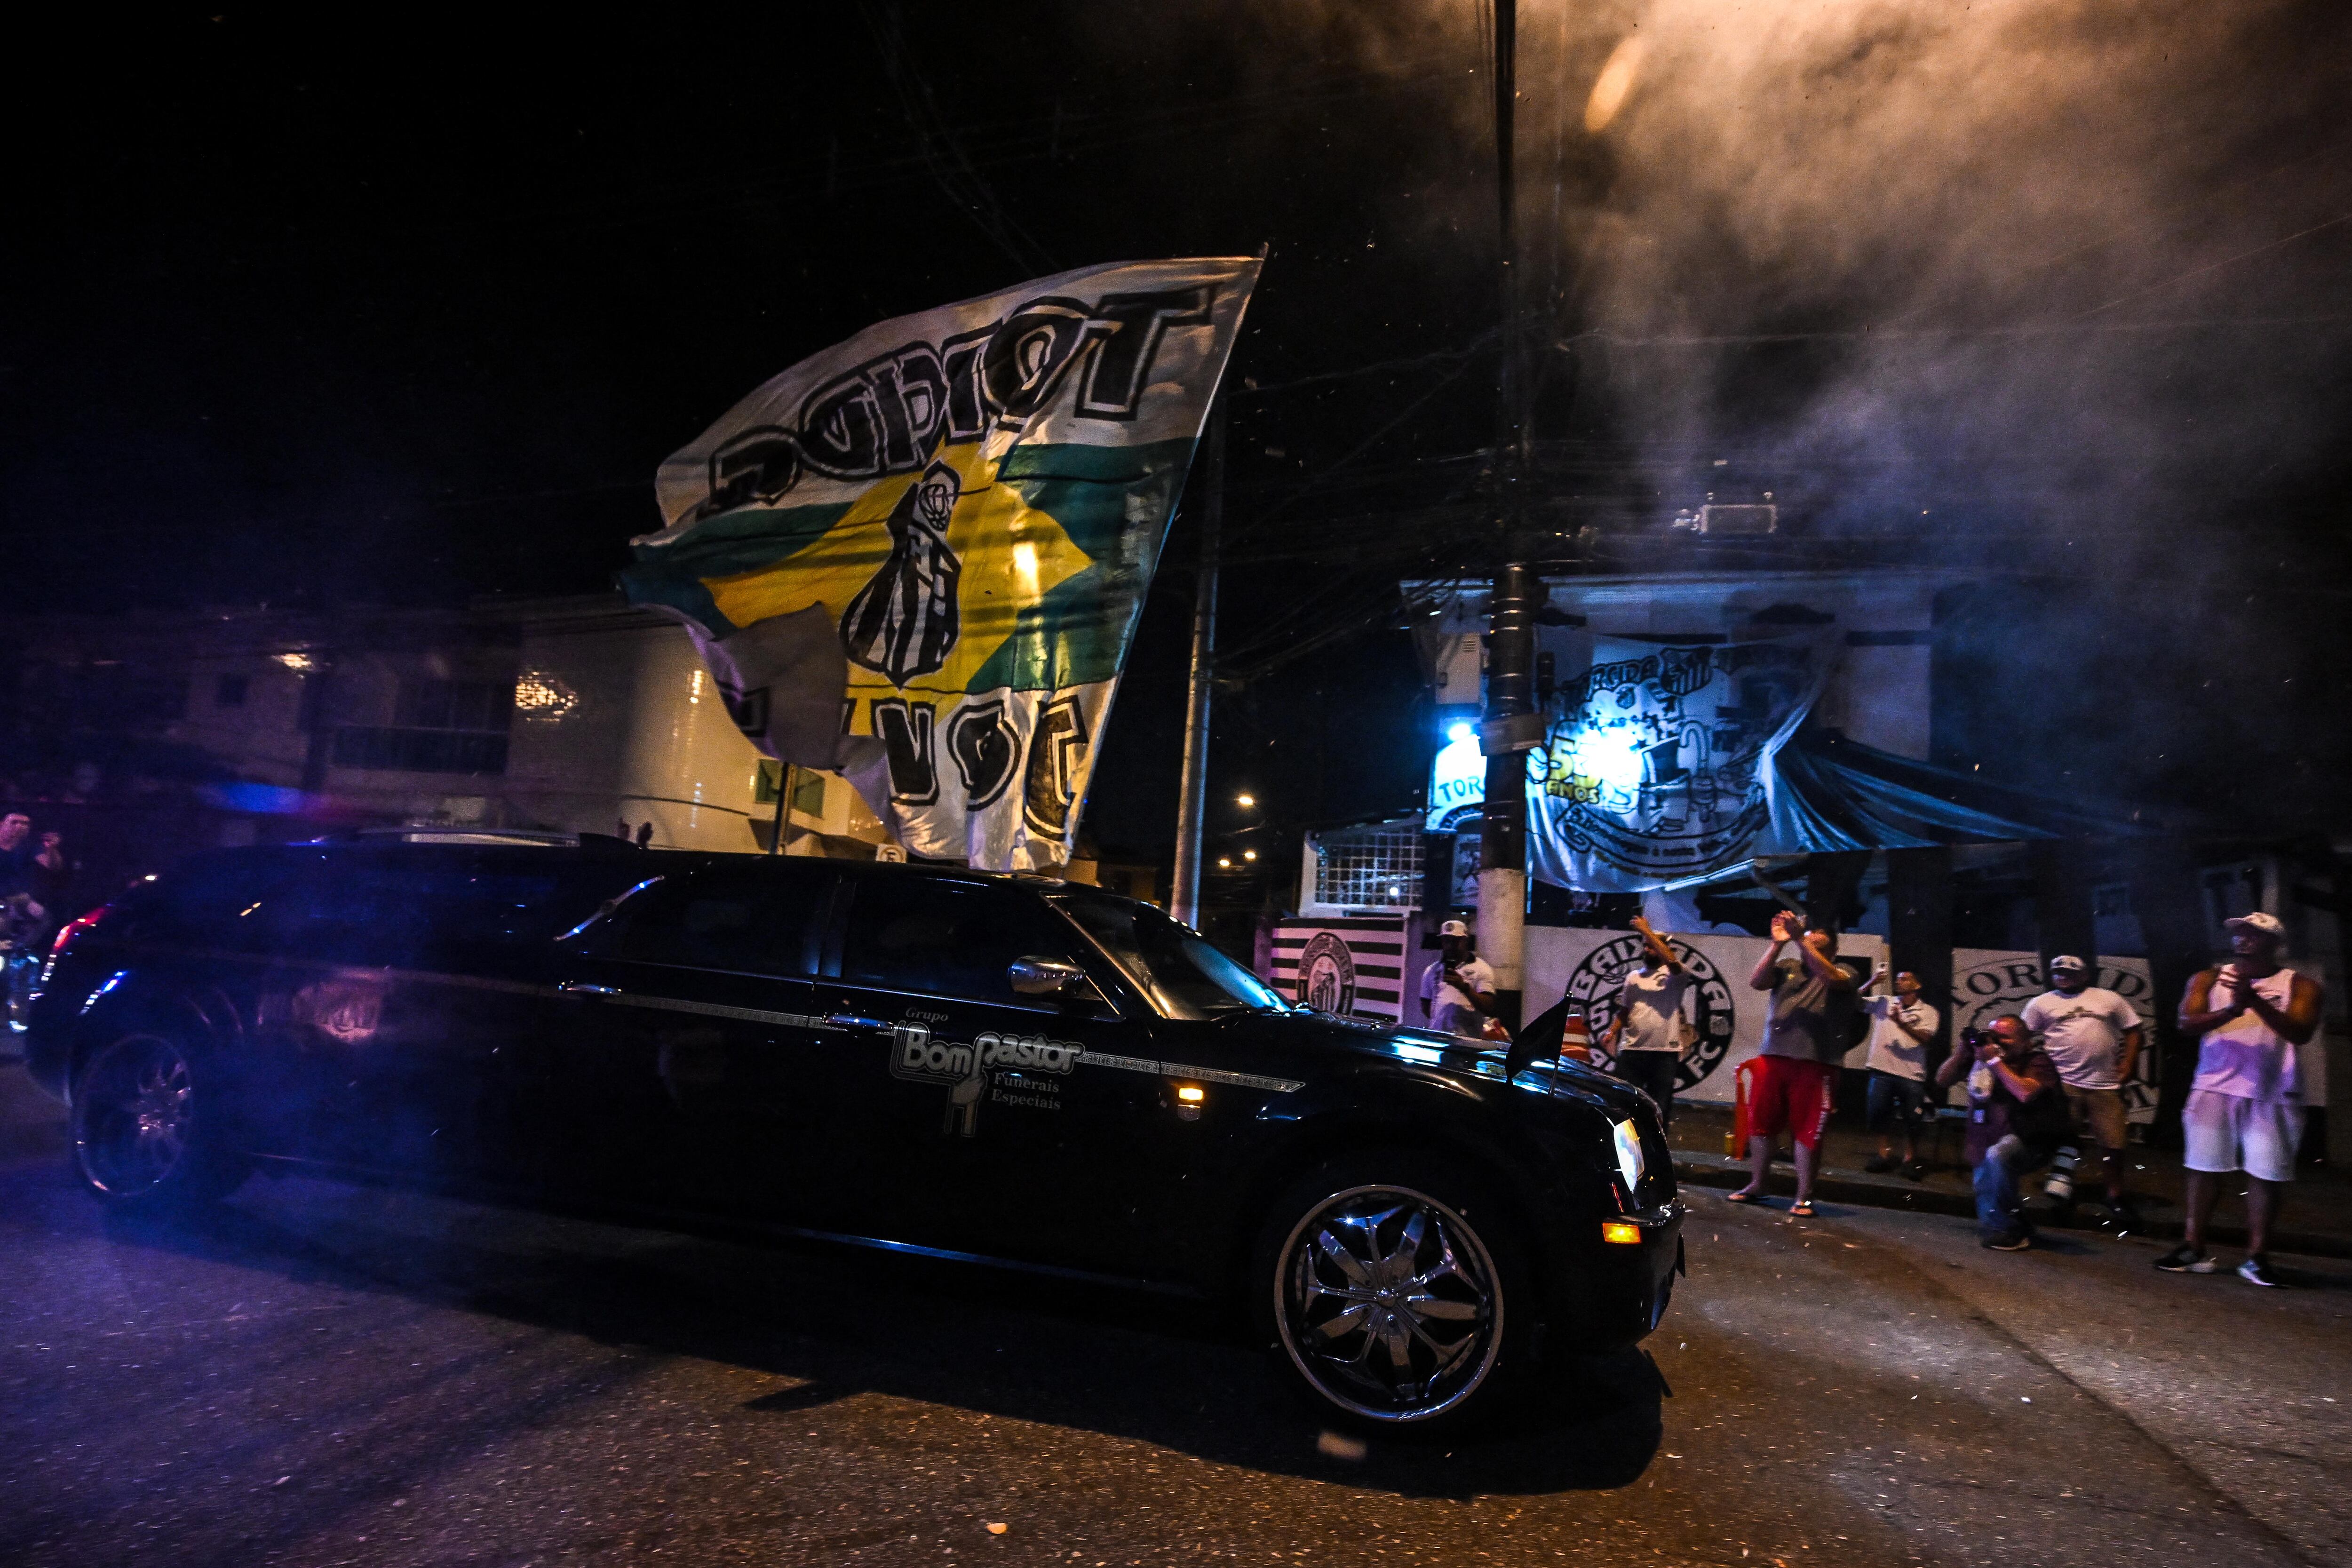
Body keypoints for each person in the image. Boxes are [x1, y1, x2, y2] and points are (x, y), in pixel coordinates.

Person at [2155, 912, 2323, 1286]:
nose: (2243, 939)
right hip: (2214, 1085)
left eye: (2254, 934)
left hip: (2274, 1090)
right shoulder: (2209, 978)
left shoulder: (2301, 984)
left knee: (2265, 1174)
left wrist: (2256, 1002)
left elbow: (2300, 1032)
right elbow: (2186, 1023)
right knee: (2203, 1169)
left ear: (2274, 943)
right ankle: (2192, 1246)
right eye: (2239, 933)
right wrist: (2233, 1007)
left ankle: (2257, 1256)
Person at [1728, 910, 1863, 1217]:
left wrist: (1802, 939)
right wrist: (1777, 945)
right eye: (1807, 942)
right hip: (1774, 1057)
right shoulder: (1789, 966)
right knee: (1761, 1125)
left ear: (1834, 951)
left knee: (1807, 1132)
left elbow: (1829, 977)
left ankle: (1803, 1196)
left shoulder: (1845, 971)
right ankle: (1759, 1184)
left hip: (1816, 1064)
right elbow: (1757, 981)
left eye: (1820, 945)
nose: (1810, 948)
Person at [2019, 955, 2144, 1228]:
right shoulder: (2041, 1004)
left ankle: (2115, 1194)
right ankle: (2061, 1191)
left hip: (2105, 1083)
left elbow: (2135, 1031)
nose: (2063, 976)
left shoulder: (2108, 999)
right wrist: (2032, 1071)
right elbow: (2022, 1037)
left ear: (2085, 975)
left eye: (2069, 972)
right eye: (2058, 972)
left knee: (2114, 1144)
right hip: (2063, 1083)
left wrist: (2128, 1063)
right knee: (2065, 1139)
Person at [1936, 1014, 2066, 1250]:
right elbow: (1942, 1080)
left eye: (2005, 1037)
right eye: (1994, 1036)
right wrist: (1962, 1053)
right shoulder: (1980, 1059)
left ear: (2025, 1042)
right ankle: (2016, 1227)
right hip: (1983, 1137)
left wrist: (1996, 1063)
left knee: (1999, 1156)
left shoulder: (2037, 1062)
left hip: (2029, 1140)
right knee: (1988, 1201)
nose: (1997, 1042)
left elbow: (2025, 1093)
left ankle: (2013, 1232)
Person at [1601, 915, 1691, 1129]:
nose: (1648, 950)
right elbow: (1626, 1010)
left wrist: (1647, 932)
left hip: (1664, 1053)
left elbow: (1674, 964)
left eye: (1652, 947)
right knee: (1623, 1102)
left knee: (1660, 1106)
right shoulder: (1634, 977)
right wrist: (1612, 1032)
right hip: (1633, 1050)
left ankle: (1657, 1153)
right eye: (1646, 947)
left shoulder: (1677, 975)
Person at [1861, 966, 1939, 1178]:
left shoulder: (1929, 1011)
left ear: (1918, 985)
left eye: (1906, 978)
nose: (1900, 981)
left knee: (1912, 1119)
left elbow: (1925, 1039)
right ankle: (1883, 1155)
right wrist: (1872, 981)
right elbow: (1852, 1001)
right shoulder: (1885, 1002)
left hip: (1911, 1074)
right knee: (1879, 1114)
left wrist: (1901, 1024)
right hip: (1882, 1069)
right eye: (1898, 979)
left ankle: (1909, 1159)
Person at [1419, 919, 1499, 1038]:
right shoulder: (1432, 970)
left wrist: (1464, 987)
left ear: (1465, 941)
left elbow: (1489, 1007)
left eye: (1455, 942)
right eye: (1446, 941)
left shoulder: (1481, 969)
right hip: (1437, 1038)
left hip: (1469, 1042)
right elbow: (1426, 1007)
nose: (1450, 946)